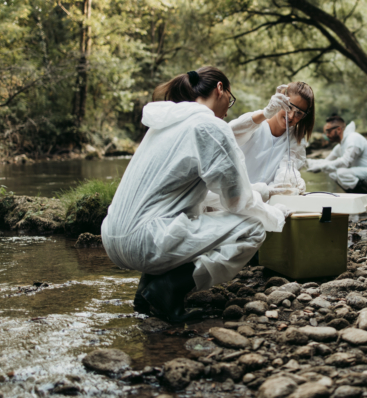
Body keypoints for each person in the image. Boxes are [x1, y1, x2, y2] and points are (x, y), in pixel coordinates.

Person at [100, 67, 292, 323]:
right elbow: (237, 201)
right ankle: (169, 287)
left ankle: (145, 294)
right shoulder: (210, 126)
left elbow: (209, 195)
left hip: (113, 238)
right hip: (145, 242)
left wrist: (265, 191)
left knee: (197, 212)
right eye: (230, 99)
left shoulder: (167, 123)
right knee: (254, 227)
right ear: (220, 89)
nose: (228, 108)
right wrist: (275, 215)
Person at [227, 82, 315, 200]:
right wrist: (265, 113)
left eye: (299, 113)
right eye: (288, 107)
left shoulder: (296, 139)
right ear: (280, 101)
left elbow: (284, 172)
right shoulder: (256, 122)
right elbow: (226, 134)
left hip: (262, 203)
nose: (291, 116)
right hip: (233, 197)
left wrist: (293, 180)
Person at [307, 115, 367, 194]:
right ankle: (356, 195)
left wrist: (321, 167)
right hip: (363, 175)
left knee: (341, 173)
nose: (327, 135)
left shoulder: (353, 139)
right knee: (332, 173)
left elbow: (345, 162)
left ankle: (365, 196)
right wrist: (306, 162)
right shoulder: (340, 146)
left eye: (328, 131)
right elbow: (326, 161)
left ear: (338, 129)